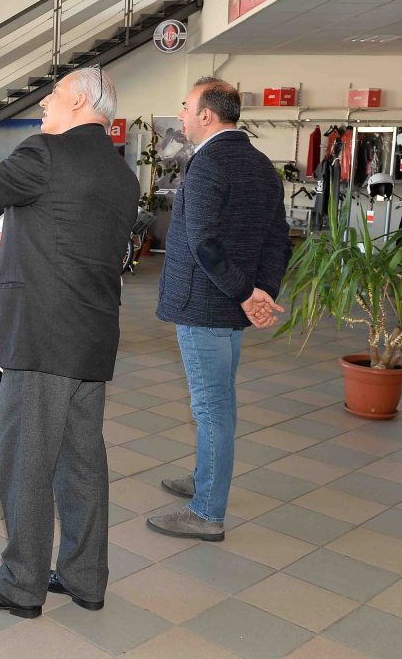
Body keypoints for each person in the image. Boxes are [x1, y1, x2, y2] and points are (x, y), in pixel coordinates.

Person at [0, 66, 139, 618]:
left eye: (54, 96)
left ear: (80, 102)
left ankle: (20, 583)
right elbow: (71, 233)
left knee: (25, 463)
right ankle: (85, 577)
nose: (44, 106)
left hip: (40, 337)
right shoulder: (120, 172)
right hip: (90, 334)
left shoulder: (47, 153)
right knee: (82, 463)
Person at [147, 77, 291, 541]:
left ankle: (207, 512)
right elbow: (278, 237)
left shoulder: (208, 164)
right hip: (231, 304)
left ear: (206, 115)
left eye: (186, 107)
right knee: (220, 400)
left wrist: (248, 295)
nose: (182, 115)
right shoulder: (260, 163)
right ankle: (204, 476)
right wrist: (261, 291)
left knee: (212, 408)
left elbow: (204, 243)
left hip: (206, 307)